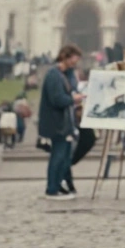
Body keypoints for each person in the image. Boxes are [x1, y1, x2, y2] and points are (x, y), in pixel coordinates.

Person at [38, 44, 85, 201]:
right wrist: (73, 98)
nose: (75, 63)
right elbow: (57, 99)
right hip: (55, 123)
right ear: (66, 57)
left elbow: (72, 87)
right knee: (57, 156)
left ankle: (59, 185)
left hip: (65, 123)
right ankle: (52, 189)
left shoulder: (65, 74)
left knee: (64, 156)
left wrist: (73, 76)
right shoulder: (54, 75)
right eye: (73, 60)